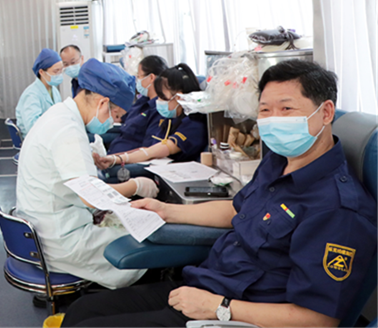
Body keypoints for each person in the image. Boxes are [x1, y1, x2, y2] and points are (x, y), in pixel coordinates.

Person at [62, 60, 378, 328]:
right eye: (265, 110)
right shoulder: (277, 163)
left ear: (326, 113)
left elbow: (318, 319)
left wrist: (219, 307)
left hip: (234, 314)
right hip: (206, 284)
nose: (273, 119)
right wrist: (167, 211)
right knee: (81, 311)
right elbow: (238, 209)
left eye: (286, 109)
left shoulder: (338, 209)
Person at [15, 58, 159, 289]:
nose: (113, 122)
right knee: (144, 245)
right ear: (103, 103)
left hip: (45, 225)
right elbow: (91, 197)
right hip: (62, 240)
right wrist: (137, 186)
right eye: (116, 115)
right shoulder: (67, 129)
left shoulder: (60, 114)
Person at [95, 63, 207, 171]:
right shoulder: (169, 118)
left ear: (179, 98)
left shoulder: (193, 124)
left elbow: (154, 151)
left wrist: (118, 159)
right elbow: (146, 149)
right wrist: (114, 158)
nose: (158, 101)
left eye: (162, 97)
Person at [107, 55, 168, 155]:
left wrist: (116, 158)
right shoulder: (143, 100)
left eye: (139, 76)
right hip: (117, 148)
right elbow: (123, 117)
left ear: (151, 77)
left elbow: (148, 149)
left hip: (126, 158)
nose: (137, 80)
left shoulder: (159, 109)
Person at [15, 48, 63, 136]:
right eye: (56, 71)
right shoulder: (31, 95)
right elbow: (32, 126)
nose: (59, 74)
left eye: (61, 70)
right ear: (41, 72)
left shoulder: (54, 91)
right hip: (36, 139)